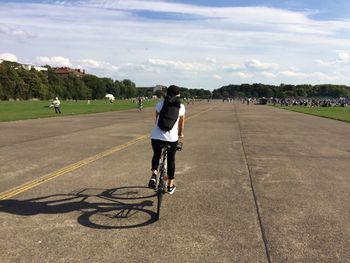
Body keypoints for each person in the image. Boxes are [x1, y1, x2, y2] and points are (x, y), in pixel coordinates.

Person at [148, 85, 185, 194]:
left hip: (156, 136)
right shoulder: (181, 106)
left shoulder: (160, 104)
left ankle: (154, 174)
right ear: (178, 95)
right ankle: (170, 185)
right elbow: (181, 123)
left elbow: (156, 121)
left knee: (156, 154)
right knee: (171, 159)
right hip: (171, 138)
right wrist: (180, 134)